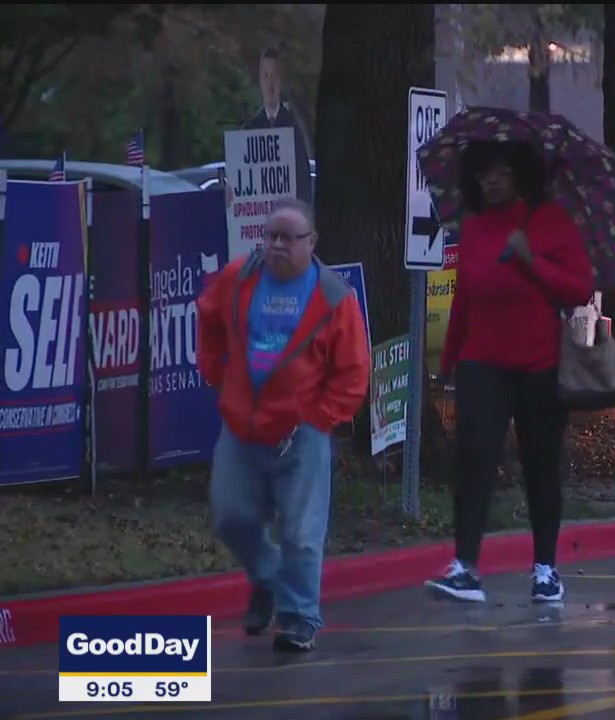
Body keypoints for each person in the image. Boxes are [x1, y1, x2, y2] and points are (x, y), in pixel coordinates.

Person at [195, 198, 370, 652]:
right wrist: (216, 372)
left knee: (301, 533)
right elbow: (208, 317)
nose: (276, 245)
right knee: (230, 516)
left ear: (311, 242)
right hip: (241, 428)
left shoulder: (334, 297)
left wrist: (318, 418)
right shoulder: (239, 278)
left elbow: (353, 373)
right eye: (270, 236)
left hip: (301, 434)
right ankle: (268, 578)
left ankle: (299, 618)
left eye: (288, 238)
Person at [425, 140, 594, 604]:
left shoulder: (549, 222)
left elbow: (579, 289)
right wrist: (449, 362)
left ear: (520, 175)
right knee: (474, 459)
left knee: (540, 464)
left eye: (501, 172)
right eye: (484, 175)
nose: (492, 181)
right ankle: (465, 567)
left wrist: (530, 260)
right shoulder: (475, 227)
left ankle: (545, 570)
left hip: (540, 366)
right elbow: (464, 298)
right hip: (481, 363)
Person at [242, 46, 313, 204]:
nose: (270, 84)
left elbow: (304, 183)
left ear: (281, 81)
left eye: (274, 76)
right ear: (260, 82)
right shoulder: (250, 130)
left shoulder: (293, 128)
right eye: (266, 76)